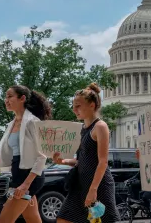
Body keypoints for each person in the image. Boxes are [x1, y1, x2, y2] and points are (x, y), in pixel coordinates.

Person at [0, 85, 50, 223]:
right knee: (33, 219)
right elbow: (3, 157)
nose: (6, 100)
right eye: (5, 96)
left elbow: (42, 156)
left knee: (4, 221)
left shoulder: (32, 122)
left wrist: (26, 185)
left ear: (22, 98)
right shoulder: (11, 125)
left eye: (9, 96)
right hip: (18, 176)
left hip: (29, 178)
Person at [54, 83, 120, 223]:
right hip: (80, 185)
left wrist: (93, 189)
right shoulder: (83, 128)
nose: (74, 109)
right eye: (73, 106)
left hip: (98, 185)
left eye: (78, 106)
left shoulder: (100, 126)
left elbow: (102, 161)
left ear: (92, 105)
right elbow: (81, 160)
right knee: (63, 218)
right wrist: (63, 161)